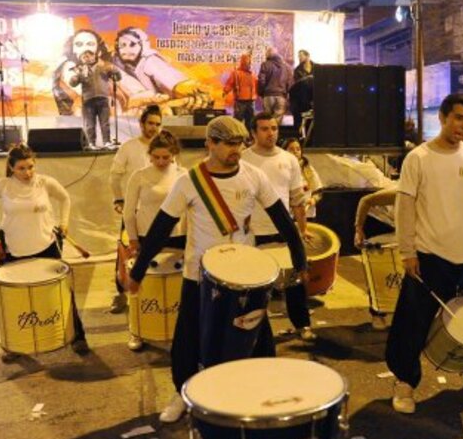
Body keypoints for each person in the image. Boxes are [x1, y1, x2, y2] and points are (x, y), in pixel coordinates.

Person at [127, 116, 307, 423]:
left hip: (245, 275)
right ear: (210, 143)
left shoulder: (253, 176)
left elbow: (282, 219)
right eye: (229, 144)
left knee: (258, 334)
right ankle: (182, 393)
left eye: (239, 143)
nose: (236, 149)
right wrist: (138, 272)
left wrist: (300, 260)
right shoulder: (189, 181)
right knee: (187, 339)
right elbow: (161, 228)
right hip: (199, 274)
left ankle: (265, 392)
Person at [386, 93, 463, 414]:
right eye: (458, 118)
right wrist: (407, 251)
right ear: (442, 117)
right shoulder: (419, 158)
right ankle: (404, 382)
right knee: (412, 323)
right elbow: (406, 207)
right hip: (429, 254)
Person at [0, 144, 88, 361]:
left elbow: (65, 198)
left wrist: (64, 223)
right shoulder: (3, 186)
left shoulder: (45, 183)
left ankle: (78, 336)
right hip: (14, 249)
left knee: (62, 292)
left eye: (30, 167)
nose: (27, 173)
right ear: (11, 167)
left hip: (47, 245)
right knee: (14, 299)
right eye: (21, 168)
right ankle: (14, 344)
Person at [242, 113, 316, 341]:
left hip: (283, 230)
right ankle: (252, 331)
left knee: (294, 283)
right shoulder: (243, 159)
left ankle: (302, 324)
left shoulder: (289, 160)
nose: (270, 133)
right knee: (254, 286)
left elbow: (296, 199)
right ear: (253, 133)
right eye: (264, 129)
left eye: (274, 128)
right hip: (253, 232)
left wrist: (301, 229)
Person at [122, 130, 187, 351]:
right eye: (156, 157)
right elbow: (128, 211)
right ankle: (136, 330)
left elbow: (191, 210)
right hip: (146, 236)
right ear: (149, 155)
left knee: (177, 285)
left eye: (165, 157)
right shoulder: (139, 176)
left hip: (178, 235)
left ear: (174, 155)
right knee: (141, 284)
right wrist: (132, 239)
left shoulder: (183, 174)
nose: (160, 161)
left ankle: (176, 328)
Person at [108, 104, 163, 313]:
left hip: (157, 211)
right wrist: (119, 200)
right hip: (132, 211)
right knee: (126, 251)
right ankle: (121, 294)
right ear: (141, 124)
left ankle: (154, 293)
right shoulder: (129, 147)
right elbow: (114, 175)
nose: (154, 128)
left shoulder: (164, 149)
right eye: (150, 123)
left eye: (158, 124)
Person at [113, 27, 212, 115]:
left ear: (143, 45)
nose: (126, 50)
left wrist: (191, 90)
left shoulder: (150, 61)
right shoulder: (116, 63)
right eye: (122, 46)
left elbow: (176, 84)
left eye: (132, 45)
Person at [67, 30, 122, 149]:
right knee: (90, 124)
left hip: (102, 99)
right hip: (88, 101)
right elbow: (73, 83)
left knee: (105, 123)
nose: (87, 58)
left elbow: (118, 77)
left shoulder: (103, 66)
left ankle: (107, 142)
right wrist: (77, 75)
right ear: (81, 59)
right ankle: (91, 143)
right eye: (84, 57)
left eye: (89, 55)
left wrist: (114, 70)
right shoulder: (80, 70)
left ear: (94, 56)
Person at [354, 186, 398, 330]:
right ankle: (377, 313)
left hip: (407, 232)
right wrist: (359, 229)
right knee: (383, 272)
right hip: (381, 225)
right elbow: (366, 201)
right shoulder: (400, 191)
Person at [283, 138, 322, 220]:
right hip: (288, 215)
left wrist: (313, 199)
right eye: (291, 149)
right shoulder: (280, 169)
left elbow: (318, 191)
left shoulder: (307, 168)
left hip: (307, 214)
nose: (295, 152)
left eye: (298, 149)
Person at [257, 47, 293, 121]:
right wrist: (287, 95)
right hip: (281, 96)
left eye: (266, 53)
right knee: (277, 122)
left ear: (269, 54)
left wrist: (261, 93)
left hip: (268, 95)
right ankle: (275, 132)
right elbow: (290, 83)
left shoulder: (265, 64)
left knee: (267, 119)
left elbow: (261, 80)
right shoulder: (287, 67)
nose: (265, 55)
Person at [223, 53, 257, 126]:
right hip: (240, 100)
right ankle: (240, 135)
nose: (249, 64)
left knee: (249, 120)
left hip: (250, 100)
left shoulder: (251, 74)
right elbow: (230, 83)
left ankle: (249, 135)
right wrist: (226, 90)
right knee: (240, 120)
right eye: (248, 62)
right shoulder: (236, 73)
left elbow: (256, 85)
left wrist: (226, 90)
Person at [290, 49, 315, 129]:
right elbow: (297, 85)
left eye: (301, 56)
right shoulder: (297, 70)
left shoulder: (316, 68)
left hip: (314, 96)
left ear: (307, 56)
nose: (299, 58)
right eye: (298, 56)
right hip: (303, 98)